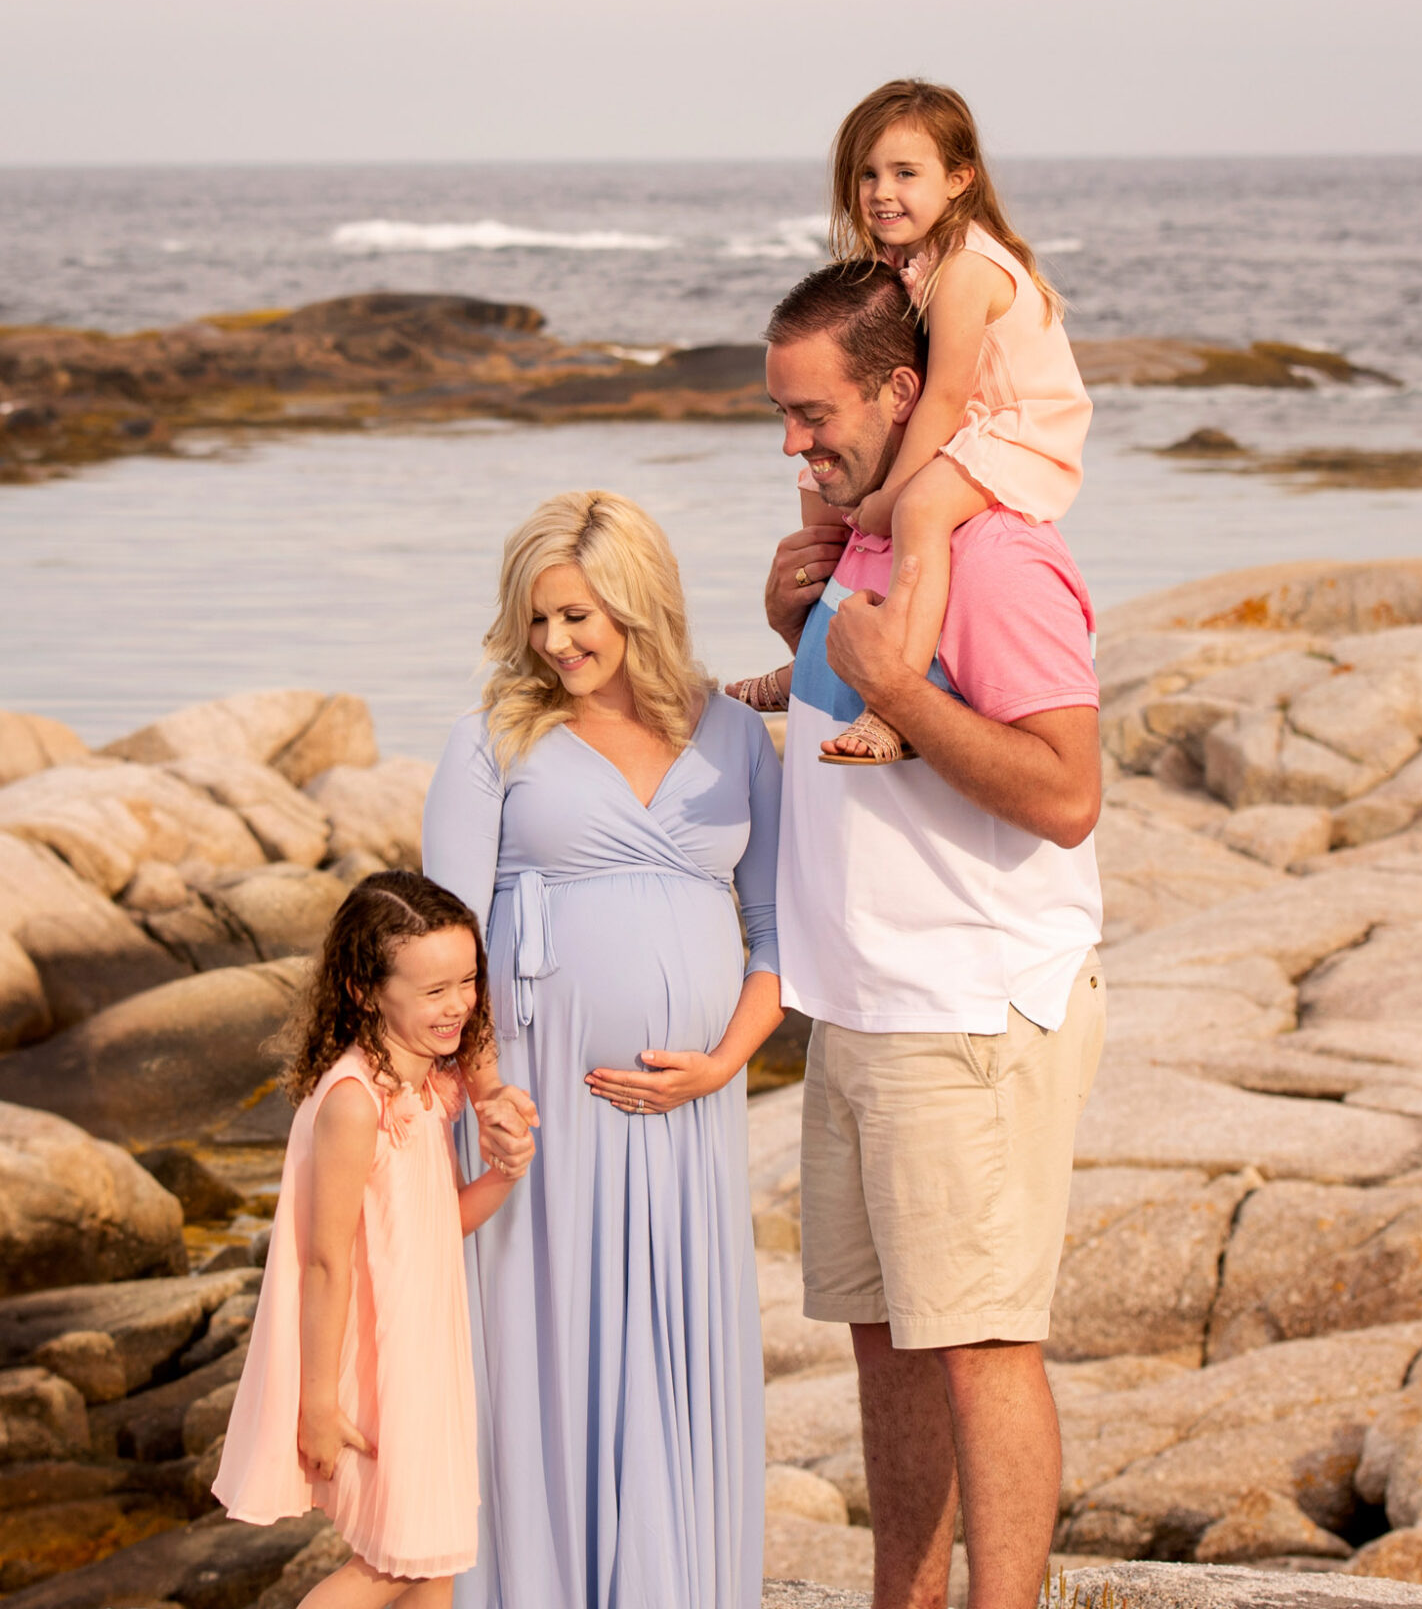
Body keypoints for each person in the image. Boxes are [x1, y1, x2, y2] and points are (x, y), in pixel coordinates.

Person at [755, 260, 1106, 1609]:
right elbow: (859, 751)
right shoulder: (868, 551)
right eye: (779, 416)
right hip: (862, 1014)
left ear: (903, 390)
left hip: (967, 1016)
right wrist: (803, 638)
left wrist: (903, 685)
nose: (792, 442)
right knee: (887, 1348)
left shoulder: (1003, 557)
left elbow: (1065, 794)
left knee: (981, 1350)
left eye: (810, 412)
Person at [422, 489, 784, 1609]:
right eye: (537, 620)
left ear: (638, 601)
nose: (557, 642)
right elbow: (442, 937)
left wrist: (724, 1061)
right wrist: (487, 1087)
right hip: (534, 1093)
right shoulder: (493, 739)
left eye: (577, 614)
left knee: (675, 1341)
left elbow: (776, 933)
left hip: (689, 1106)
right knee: (542, 1336)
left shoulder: (731, 734)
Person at [732, 77, 1092, 764]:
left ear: (958, 179)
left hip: (1021, 429)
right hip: (972, 423)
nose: (880, 192)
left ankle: (888, 703)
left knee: (919, 512)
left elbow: (946, 394)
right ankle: (811, 653)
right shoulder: (908, 262)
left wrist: (893, 494)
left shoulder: (964, 270)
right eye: (866, 174)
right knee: (820, 482)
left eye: (904, 172)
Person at [213, 871, 524, 1609]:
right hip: (377, 1361)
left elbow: (428, 1229)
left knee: (434, 1557)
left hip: (424, 1351)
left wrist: (504, 1176)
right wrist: (316, 1403)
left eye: (467, 981)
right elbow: (323, 1265)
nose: (457, 1007)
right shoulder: (355, 1104)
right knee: (399, 1564)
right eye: (432, 991)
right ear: (362, 990)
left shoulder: (424, 1086)